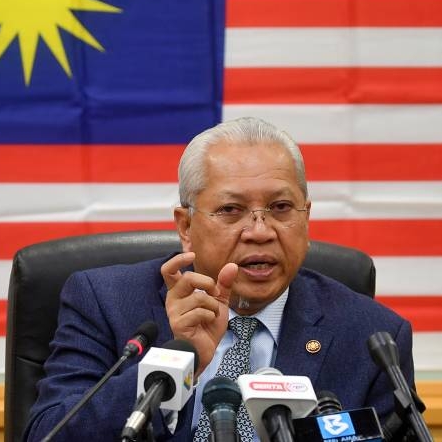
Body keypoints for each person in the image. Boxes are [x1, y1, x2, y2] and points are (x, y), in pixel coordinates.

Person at [24, 117, 416, 441]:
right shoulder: (104, 301)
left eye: (281, 208)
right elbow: (48, 434)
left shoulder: (372, 335)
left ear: (306, 217)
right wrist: (174, 358)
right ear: (186, 226)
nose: (260, 231)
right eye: (231, 210)